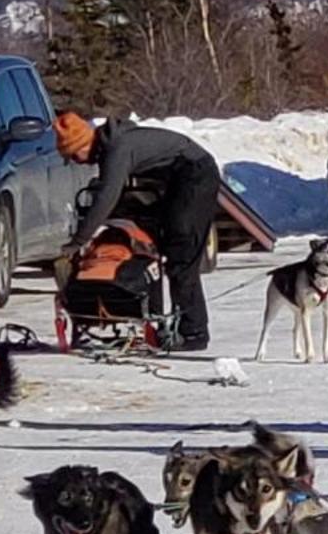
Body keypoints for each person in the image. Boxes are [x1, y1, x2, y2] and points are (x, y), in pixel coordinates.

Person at [55, 109, 220, 354]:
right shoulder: (110, 147)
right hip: (177, 180)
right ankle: (165, 322)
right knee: (160, 247)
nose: (77, 162)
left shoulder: (117, 150)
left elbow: (106, 197)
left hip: (195, 176)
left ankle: (194, 333)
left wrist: (78, 241)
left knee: (181, 254)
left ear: (83, 144)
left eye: (74, 156)